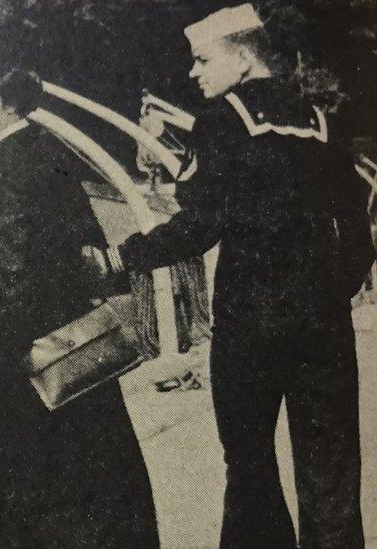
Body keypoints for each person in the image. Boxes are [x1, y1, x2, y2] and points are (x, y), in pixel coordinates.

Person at [114, 4, 375, 548]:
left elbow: (201, 226)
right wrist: (331, 289)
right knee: (331, 468)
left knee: (250, 464)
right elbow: (358, 227)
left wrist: (125, 255)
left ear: (241, 57)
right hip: (323, 324)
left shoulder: (221, 121)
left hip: (250, 324)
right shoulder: (321, 118)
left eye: (203, 59)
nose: (194, 73)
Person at [0, 51, 159, 548]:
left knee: (20, 514)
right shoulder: (45, 153)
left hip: (20, 376)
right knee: (88, 505)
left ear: (13, 104)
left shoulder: (13, 170)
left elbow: (5, 277)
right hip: (66, 365)